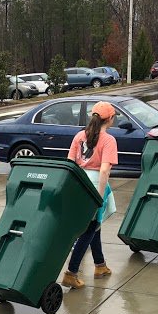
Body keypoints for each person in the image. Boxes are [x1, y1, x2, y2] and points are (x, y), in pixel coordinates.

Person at [62, 101, 118, 289]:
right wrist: (99, 197)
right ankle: (71, 272)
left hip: (78, 182)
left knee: (95, 225)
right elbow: (104, 171)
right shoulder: (108, 140)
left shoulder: (79, 136)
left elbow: (69, 163)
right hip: (95, 185)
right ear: (109, 119)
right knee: (89, 228)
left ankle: (100, 265)